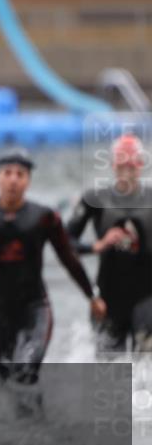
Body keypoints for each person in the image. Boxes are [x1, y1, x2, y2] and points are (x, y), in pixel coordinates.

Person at [0, 148, 107, 394]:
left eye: (20, 174)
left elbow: (69, 259)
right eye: (7, 173)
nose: (13, 179)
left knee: (24, 371)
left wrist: (91, 296)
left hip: (35, 310)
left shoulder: (44, 218)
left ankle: (35, 429)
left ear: (28, 181)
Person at [66, 133, 152, 353]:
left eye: (131, 168)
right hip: (109, 296)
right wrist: (95, 246)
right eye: (121, 167)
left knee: (147, 364)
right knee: (109, 377)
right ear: (113, 166)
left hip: (147, 295)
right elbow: (65, 242)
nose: (126, 174)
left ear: (141, 166)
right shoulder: (95, 198)